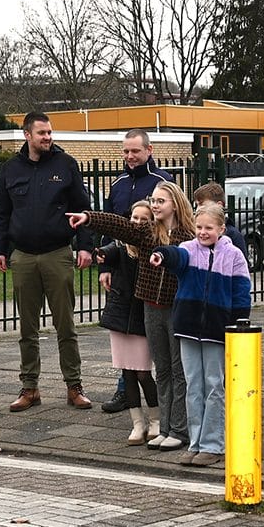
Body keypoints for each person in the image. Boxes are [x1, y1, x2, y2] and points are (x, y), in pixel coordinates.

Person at [68, 181, 195, 451]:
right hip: (151, 307)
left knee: (177, 369)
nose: (155, 205)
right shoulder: (148, 232)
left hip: (176, 308)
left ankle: (180, 429)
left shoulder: (187, 236)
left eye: (161, 201)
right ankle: (166, 427)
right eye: (154, 200)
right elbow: (120, 225)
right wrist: (89, 218)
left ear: (175, 204)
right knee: (161, 370)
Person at [0, 111, 95, 413]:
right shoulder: (10, 169)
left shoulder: (66, 165)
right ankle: (29, 387)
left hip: (57, 253)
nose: (48, 138)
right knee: (27, 328)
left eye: (50, 133)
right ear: (27, 135)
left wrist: (85, 247)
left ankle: (74, 386)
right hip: (22, 256)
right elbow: (1, 215)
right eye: (42, 133)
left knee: (66, 325)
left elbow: (83, 208)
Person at [149, 203, 251, 466]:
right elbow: (175, 256)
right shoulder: (188, 250)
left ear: (221, 228)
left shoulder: (234, 255)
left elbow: (241, 293)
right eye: (199, 227)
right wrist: (161, 254)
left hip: (218, 330)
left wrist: (238, 326)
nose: (203, 232)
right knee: (194, 385)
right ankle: (195, 442)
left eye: (208, 228)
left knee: (214, 385)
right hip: (188, 328)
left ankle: (213, 444)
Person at [100, 129, 172, 415]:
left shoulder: (162, 182)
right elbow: (110, 226)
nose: (130, 157)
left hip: (153, 269)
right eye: (126, 152)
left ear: (149, 150)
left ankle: (158, 394)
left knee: (149, 335)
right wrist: (106, 265)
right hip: (123, 268)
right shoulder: (117, 184)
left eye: (135, 151)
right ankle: (125, 390)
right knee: (124, 329)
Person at [93, 200, 160, 445]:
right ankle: (137, 423)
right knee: (128, 373)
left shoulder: (151, 247)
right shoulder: (120, 247)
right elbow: (107, 250)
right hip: (121, 317)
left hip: (142, 317)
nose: (138, 223)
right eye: (134, 218)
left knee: (143, 373)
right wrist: (101, 257)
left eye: (144, 219)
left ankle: (156, 419)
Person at [192, 181, 246, 253]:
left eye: (202, 204)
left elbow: (241, 262)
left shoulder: (233, 235)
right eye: (197, 205)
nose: (198, 209)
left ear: (219, 205)